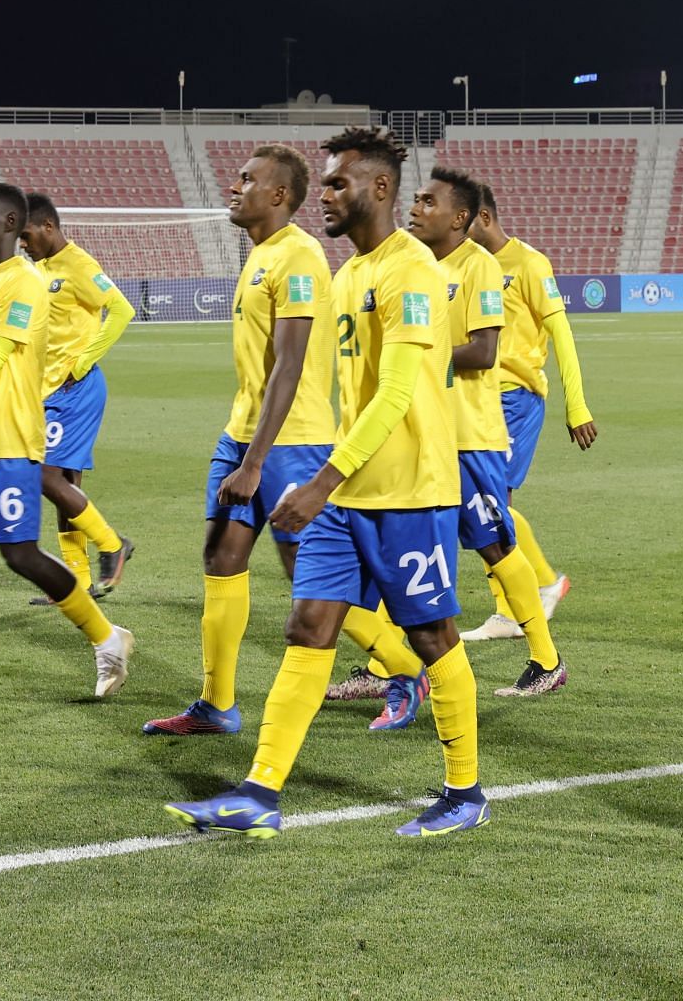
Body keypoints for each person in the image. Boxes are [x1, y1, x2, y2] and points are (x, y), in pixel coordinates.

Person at [164, 127, 487, 839]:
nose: (327, 197)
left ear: (378, 188)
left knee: (433, 636)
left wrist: (318, 481)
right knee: (307, 625)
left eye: (338, 184)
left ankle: (464, 792)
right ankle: (258, 792)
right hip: (349, 493)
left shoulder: (412, 272)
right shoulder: (347, 277)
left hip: (411, 492)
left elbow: (398, 393)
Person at [141, 144, 342, 736]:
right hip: (245, 435)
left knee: (308, 572)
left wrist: (254, 461)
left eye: (248, 180)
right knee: (221, 557)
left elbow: (290, 365)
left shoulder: (300, 257)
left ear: (279, 195)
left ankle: (405, 668)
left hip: (290, 442)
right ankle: (217, 705)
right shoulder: (261, 255)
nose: (234, 187)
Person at [0, 183, 134, 702]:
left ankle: (108, 639)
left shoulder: (25, 284)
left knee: (19, 554)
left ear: (11, 223)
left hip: (11, 440)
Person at [407, 165, 566, 697]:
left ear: (462, 218)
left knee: (494, 547)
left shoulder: (480, 268)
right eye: (416, 199)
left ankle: (546, 661)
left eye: (429, 202)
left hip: (471, 435)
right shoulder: (413, 266)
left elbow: (484, 351)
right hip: (424, 431)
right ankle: (389, 668)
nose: (416, 208)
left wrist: (415, 357)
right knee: (403, 542)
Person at [459, 185, 594, 641]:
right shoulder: (467, 266)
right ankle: (541, 583)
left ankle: (512, 609)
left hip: (516, 398)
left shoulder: (530, 265)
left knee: (494, 501)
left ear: (481, 217)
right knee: (482, 500)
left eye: (461, 220)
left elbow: (563, 334)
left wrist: (577, 406)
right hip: (476, 398)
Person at [16, 193, 136, 598]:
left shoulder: (79, 265)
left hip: (75, 389)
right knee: (66, 486)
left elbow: (120, 310)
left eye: (27, 235)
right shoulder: (41, 268)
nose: (23, 244)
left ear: (48, 226)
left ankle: (112, 545)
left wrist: (82, 361)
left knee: (45, 475)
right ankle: (78, 580)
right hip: (49, 390)